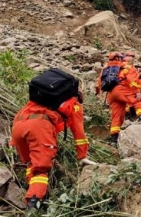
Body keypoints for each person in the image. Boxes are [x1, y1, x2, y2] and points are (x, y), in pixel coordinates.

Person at [11, 73, 96, 212]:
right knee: (41, 170)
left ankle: (32, 190)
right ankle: (33, 206)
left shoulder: (44, 97)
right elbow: (79, 134)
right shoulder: (74, 105)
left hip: (18, 124)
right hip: (38, 127)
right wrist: (82, 156)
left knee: (31, 163)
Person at [100, 52, 141, 147]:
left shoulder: (107, 68)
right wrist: (137, 92)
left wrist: (99, 93)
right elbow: (132, 82)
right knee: (138, 101)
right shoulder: (127, 67)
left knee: (117, 116)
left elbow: (100, 83)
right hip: (121, 89)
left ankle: (113, 139)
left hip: (111, 94)